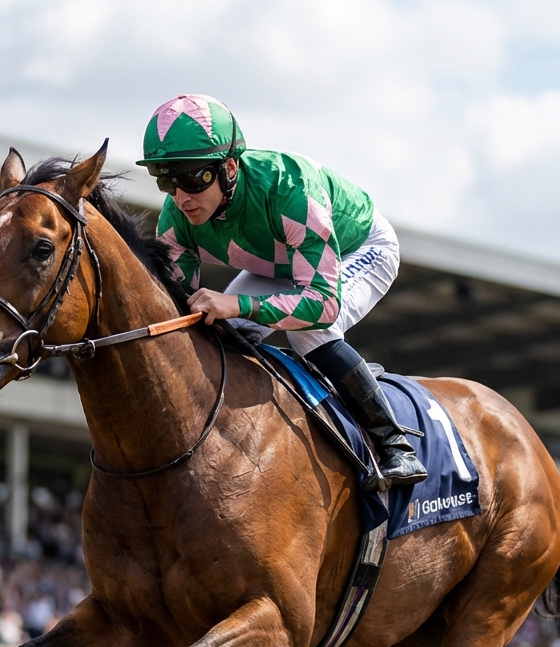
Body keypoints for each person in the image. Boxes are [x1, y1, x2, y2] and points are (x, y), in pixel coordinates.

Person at [138, 94, 427, 491]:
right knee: (221, 332)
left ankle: (393, 443)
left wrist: (237, 302)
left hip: (359, 249)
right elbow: (178, 315)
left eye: (194, 179)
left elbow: (323, 304)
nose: (181, 196)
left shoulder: (290, 189)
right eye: (166, 181)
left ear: (229, 167)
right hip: (279, 265)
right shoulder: (176, 218)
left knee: (309, 332)